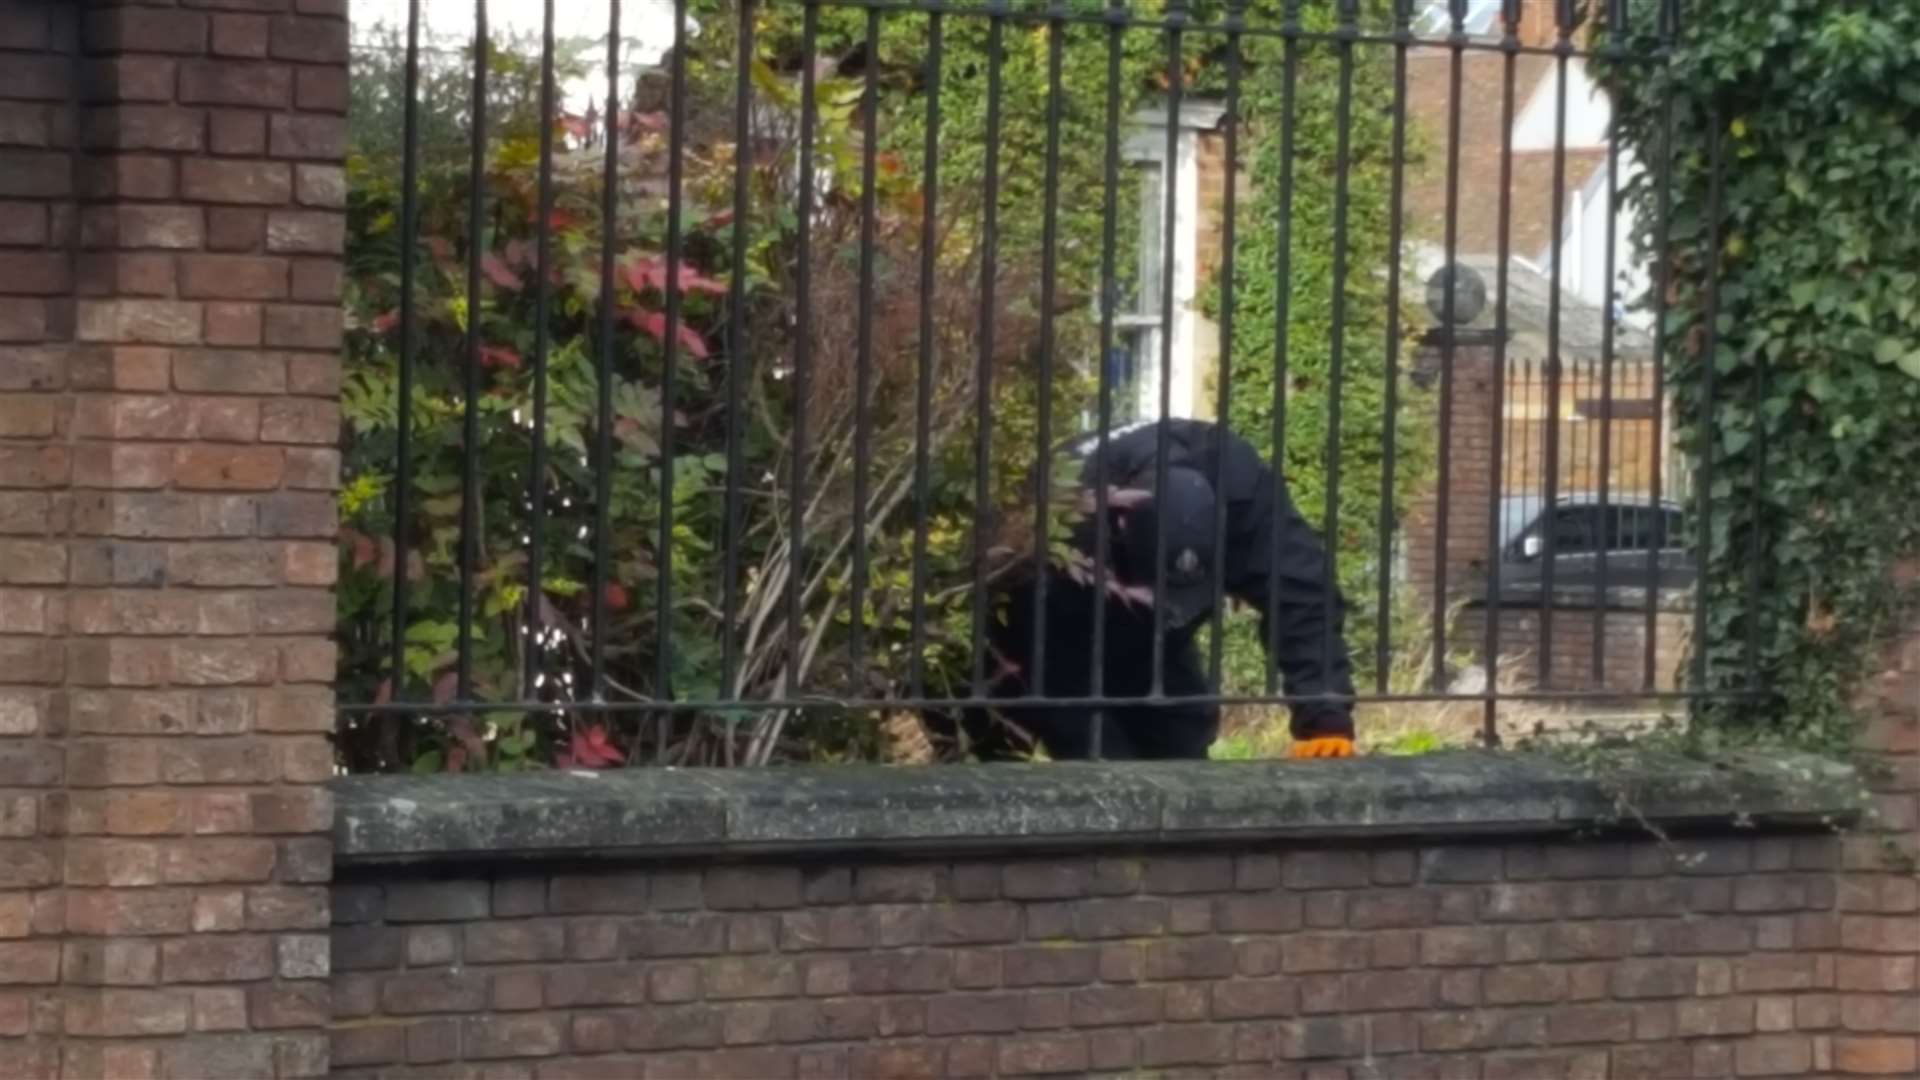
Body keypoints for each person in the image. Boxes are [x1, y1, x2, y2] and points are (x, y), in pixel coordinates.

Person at [943, 418, 1358, 762]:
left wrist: (1324, 715)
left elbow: (1303, 595)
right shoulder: (1067, 513)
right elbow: (1025, 643)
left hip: (1155, 643)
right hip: (1066, 633)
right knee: (1103, 764)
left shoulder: (1242, 491)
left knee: (1183, 739)